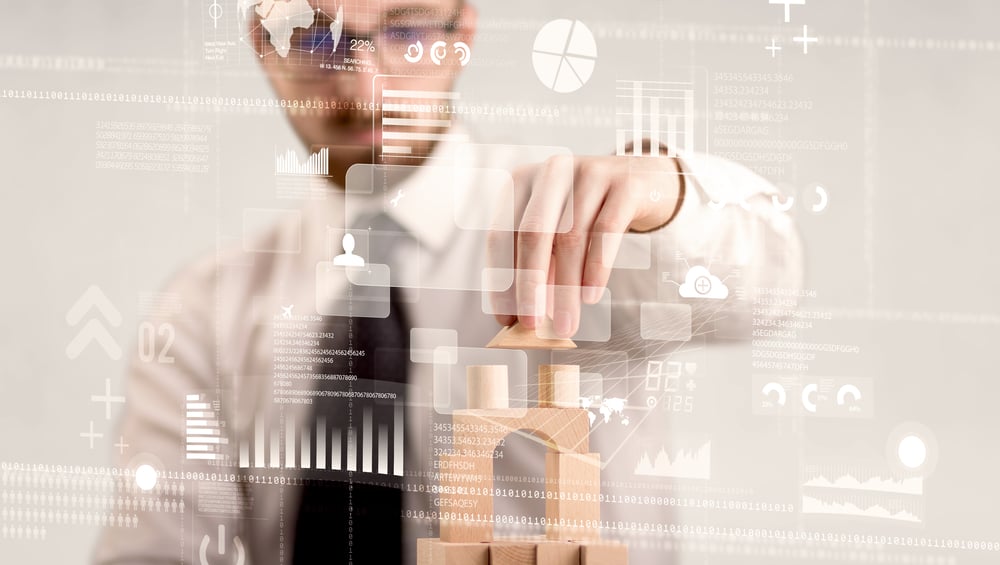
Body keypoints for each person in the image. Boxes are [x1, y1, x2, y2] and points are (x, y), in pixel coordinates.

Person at [93, 1, 802, 564]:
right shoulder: (207, 307)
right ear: (263, 43)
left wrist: (669, 195)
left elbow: (765, 288)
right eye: (315, 37)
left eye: (406, 30)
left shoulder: (575, 223)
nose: (366, 87)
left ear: (462, 31)